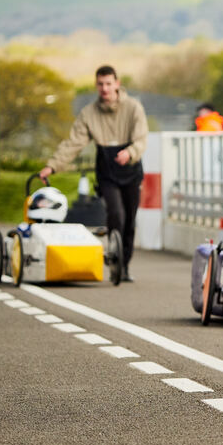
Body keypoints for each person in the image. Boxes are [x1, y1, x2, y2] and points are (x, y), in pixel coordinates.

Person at [38, 65, 148, 283]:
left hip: (130, 168)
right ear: (96, 85)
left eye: (108, 84)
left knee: (130, 219)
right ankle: (115, 260)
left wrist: (130, 152)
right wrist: (53, 165)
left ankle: (125, 264)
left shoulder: (134, 107)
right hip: (106, 169)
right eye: (100, 84)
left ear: (117, 83)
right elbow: (73, 143)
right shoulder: (89, 113)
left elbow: (142, 138)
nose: (104, 89)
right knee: (116, 213)